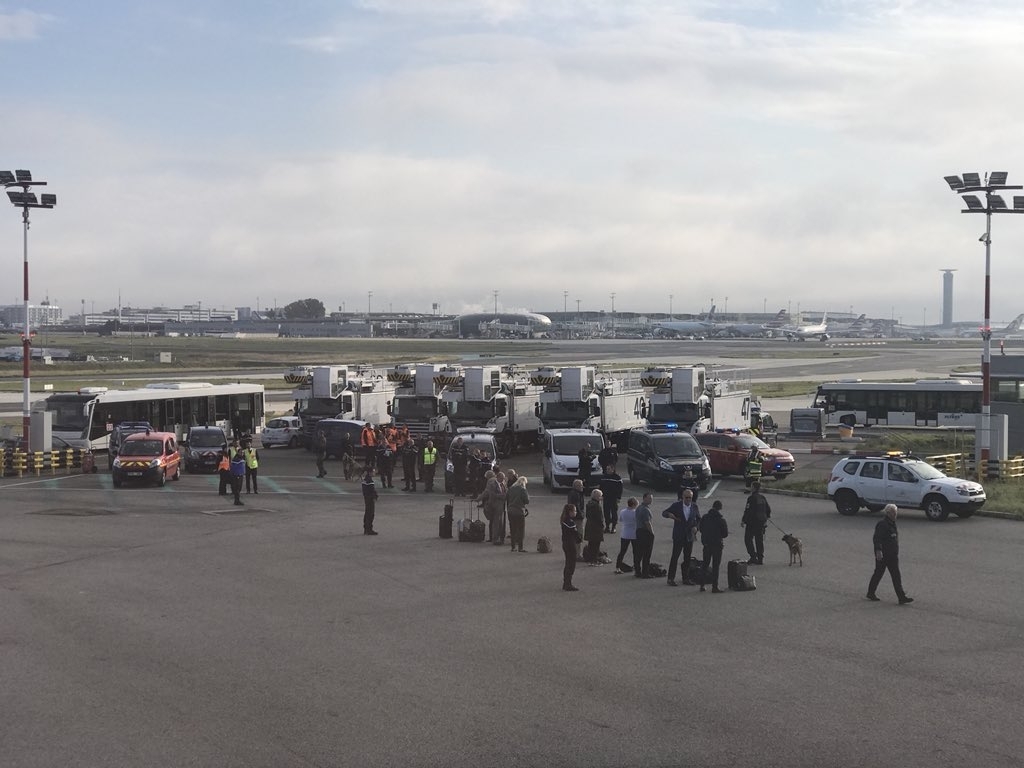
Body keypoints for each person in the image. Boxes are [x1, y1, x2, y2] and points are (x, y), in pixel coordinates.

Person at [867, 504, 913, 604]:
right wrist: (878, 551)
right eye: (893, 512)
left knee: (896, 576)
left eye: (895, 512)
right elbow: (877, 539)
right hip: (883, 555)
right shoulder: (882, 524)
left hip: (892, 556)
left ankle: (901, 597)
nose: (895, 514)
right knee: (878, 574)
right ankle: (870, 592)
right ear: (888, 513)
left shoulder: (892, 523)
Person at [662, 487, 701, 586]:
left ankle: (686, 578)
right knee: (675, 557)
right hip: (678, 536)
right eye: (686, 497)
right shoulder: (676, 506)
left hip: (689, 536)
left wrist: (696, 527)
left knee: (687, 558)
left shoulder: (694, 507)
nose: (688, 500)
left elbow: (699, 520)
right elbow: (664, 512)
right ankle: (670, 579)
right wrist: (670, 515)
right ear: (683, 497)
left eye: (690, 498)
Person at [698, 499, 729, 593]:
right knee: (716, 566)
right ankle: (714, 586)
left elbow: (701, 528)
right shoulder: (721, 520)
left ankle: (702, 585)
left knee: (705, 564)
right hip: (717, 545)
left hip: (707, 544)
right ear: (720, 508)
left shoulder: (705, 517)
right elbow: (725, 534)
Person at [742, 481, 771, 565]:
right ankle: (760, 558)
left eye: (751, 486)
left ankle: (753, 556)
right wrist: (766, 518)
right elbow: (768, 509)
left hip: (752, 523)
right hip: (761, 522)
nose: (750, 488)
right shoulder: (762, 497)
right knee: (759, 540)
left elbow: (748, 510)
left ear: (754, 488)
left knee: (748, 539)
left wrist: (744, 520)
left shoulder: (751, 498)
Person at [506, 475, 530, 553]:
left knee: (513, 529)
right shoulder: (523, 490)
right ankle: (520, 547)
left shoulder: (511, 489)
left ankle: (513, 547)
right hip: (519, 511)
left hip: (510, 511)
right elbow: (526, 501)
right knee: (520, 530)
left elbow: (507, 498)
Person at [483, 470, 508, 545]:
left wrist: (503, 496)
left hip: (501, 507)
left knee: (501, 523)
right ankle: (495, 539)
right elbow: (492, 494)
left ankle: (500, 538)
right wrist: (502, 496)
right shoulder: (492, 484)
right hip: (494, 506)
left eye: (503, 478)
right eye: (501, 478)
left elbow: (505, 493)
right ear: (497, 477)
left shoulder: (503, 484)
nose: (503, 480)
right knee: (496, 523)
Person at [561, 503, 582, 591]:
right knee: (571, 564)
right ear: (570, 512)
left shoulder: (564, 520)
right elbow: (575, 534)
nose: (576, 512)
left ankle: (566, 582)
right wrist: (579, 538)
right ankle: (567, 584)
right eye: (574, 511)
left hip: (566, 543)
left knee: (568, 563)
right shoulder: (570, 522)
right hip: (570, 544)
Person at [614, 497, 638, 574]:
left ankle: (618, 567)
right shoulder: (635, 512)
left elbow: (621, 520)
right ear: (634, 504)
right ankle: (636, 566)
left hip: (624, 533)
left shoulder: (623, 511)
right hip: (634, 534)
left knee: (622, 551)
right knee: (636, 552)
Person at [634, 493, 655, 579]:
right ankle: (645, 573)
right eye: (649, 498)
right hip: (645, 532)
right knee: (647, 554)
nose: (651, 500)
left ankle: (637, 571)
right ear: (644, 498)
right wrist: (652, 533)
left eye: (651, 498)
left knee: (638, 553)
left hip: (638, 531)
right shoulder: (645, 510)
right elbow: (647, 523)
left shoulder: (638, 508)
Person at [598, 465, 623, 533]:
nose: (607, 470)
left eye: (609, 469)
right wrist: (600, 495)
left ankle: (614, 527)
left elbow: (620, 489)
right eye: (607, 469)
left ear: (613, 469)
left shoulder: (617, 478)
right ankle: (607, 526)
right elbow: (601, 487)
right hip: (606, 497)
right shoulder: (604, 477)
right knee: (606, 512)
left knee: (614, 512)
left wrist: (618, 497)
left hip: (614, 498)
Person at [584, 489, 605, 565]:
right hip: (596, 528)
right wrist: (602, 526)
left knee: (591, 544)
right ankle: (594, 560)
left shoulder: (589, 504)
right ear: (597, 497)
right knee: (596, 545)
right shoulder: (597, 506)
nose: (601, 498)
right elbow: (600, 518)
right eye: (600, 496)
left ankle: (590, 559)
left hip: (589, 526)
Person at [567, 479, 587, 561]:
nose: (582, 487)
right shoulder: (577, 495)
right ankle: (577, 555)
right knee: (578, 536)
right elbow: (577, 506)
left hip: (573, 517)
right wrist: (582, 514)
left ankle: (574, 554)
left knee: (573, 537)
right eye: (581, 485)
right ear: (576, 486)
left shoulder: (572, 493)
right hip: (577, 518)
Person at [361, 470, 379, 535]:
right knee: (370, 514)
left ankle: (366, 528)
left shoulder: (365, 480)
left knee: (367, 513)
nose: (375, 473)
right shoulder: (370, 481)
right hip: (370, 499)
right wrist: (375, 496)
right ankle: (369, 529)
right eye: (373, 471)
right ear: (370, 472)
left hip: (366, 498)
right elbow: (372, 490)